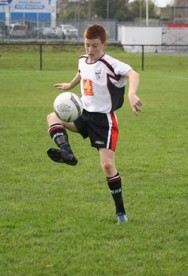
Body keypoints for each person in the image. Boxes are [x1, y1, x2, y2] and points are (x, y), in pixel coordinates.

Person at [47, 24, 142, 224]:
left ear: (104, 44)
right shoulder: (83, 59)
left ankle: (120, 212)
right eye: (87, 45)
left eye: (95, 46)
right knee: (52, 117)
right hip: (83, 112)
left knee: (108, 166)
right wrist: (69, 85)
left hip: (103, 120)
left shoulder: (110, 64)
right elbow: (81, 73)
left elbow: (134, 74)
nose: (90, 50)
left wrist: (132, 93)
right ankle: (67, 153)